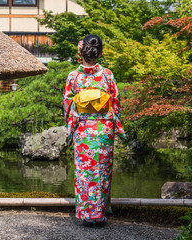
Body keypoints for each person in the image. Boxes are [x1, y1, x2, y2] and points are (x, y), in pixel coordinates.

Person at [63, 34, 127, 226]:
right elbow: (115, 102)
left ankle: (86, 214)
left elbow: (68, 104)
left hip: (83, 129)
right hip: (104, 130)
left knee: (85, 172)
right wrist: (117, 126)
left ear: (80, 51)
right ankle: (100, 211)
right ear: (99, 53)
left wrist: (71, 128)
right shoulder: (107, 74)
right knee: (102, 170)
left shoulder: (74, 76)